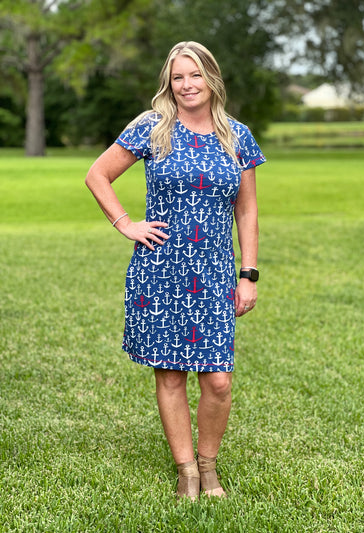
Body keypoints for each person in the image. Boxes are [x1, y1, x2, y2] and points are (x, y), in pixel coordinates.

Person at [85, 41, 266, 501]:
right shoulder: (152, 128)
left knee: (218, 380)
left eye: (194, 75)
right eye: (177, 77)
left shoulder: (236, 136)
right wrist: (126, 223)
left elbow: (246, 211)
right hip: (160, 268)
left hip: (213, 272)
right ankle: (188, 471)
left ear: (211, 78)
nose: (186, 85)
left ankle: (210, 464)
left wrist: (248, 273)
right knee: (169, 374)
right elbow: (97, 175)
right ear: (169, 82)